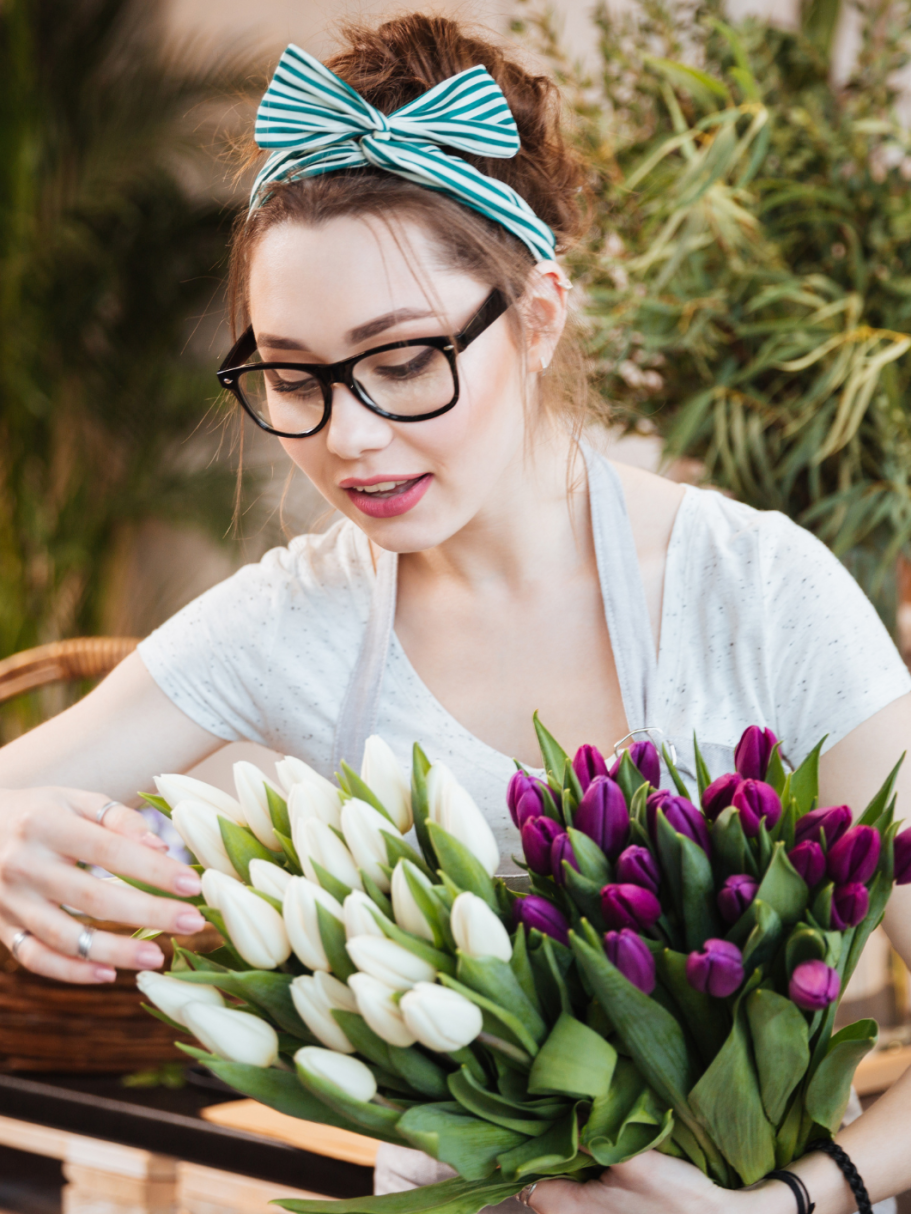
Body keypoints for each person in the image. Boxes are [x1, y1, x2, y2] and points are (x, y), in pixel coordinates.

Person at [0, 13, 909, 1213]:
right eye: (293, 372)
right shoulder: (303, 617)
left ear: (536, 315)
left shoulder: (759, 595)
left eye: (403, 358)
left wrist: (781, 1200)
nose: (349, 436)